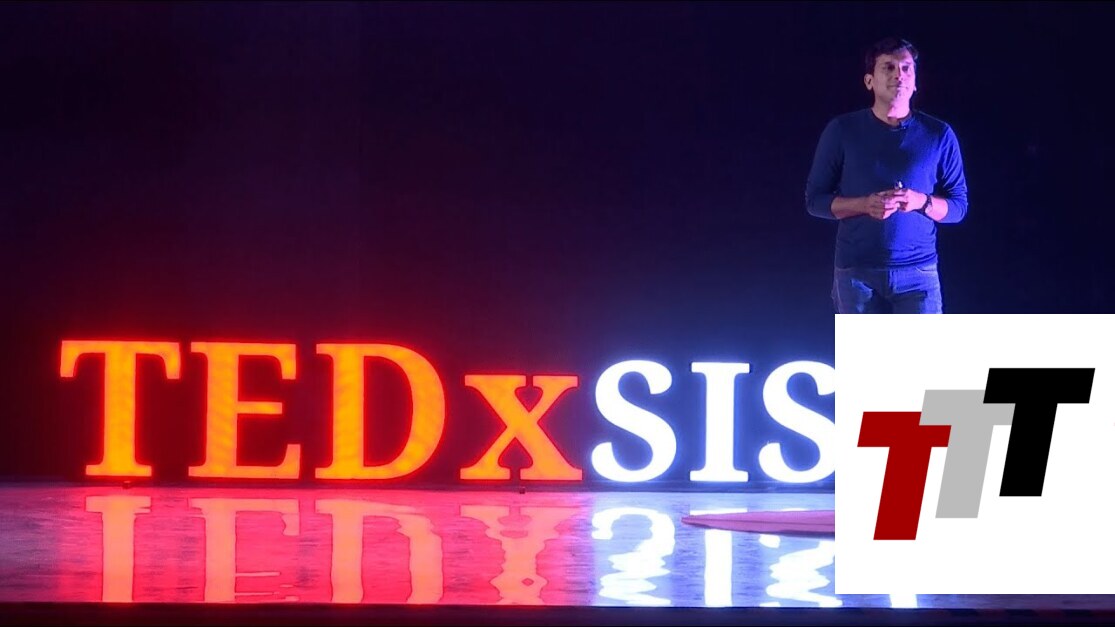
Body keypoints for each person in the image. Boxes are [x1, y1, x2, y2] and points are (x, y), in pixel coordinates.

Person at [805, 37, 968, 314]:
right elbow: (814, 201)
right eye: (888, 67)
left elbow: (958, 208)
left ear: (915, 82)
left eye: (906, 68)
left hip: (918, 274)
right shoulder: (842, 130)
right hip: (856, 274)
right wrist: (864, 204)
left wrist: (920, 201)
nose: (898, 75)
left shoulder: (938, 134)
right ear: (869, 81)